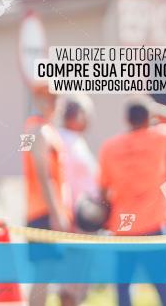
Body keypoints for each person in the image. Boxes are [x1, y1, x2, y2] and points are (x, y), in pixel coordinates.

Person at [98, 94, 166, 306]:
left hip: (123, 227)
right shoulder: (158, 138)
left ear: (126, 120)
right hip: (154, 224)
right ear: (148, 118)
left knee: (123, 288)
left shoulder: (109, 147)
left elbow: (103, 191)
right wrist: (156, 108)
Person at [23, 81, 74, 306]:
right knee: (44, 275)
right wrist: (57, 213)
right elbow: (44, 176)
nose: (60, 105)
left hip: (45, 212)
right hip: (44, 213)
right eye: (57, 99)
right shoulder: (39, 130)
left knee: (56, 275)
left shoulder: (42, 129)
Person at [58, 92, 99, 305]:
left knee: (79, 282)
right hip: (74, 223)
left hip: (84, 223)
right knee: (72, 285)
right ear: (78, 115)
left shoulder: (76, 142)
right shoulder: (63, 141)